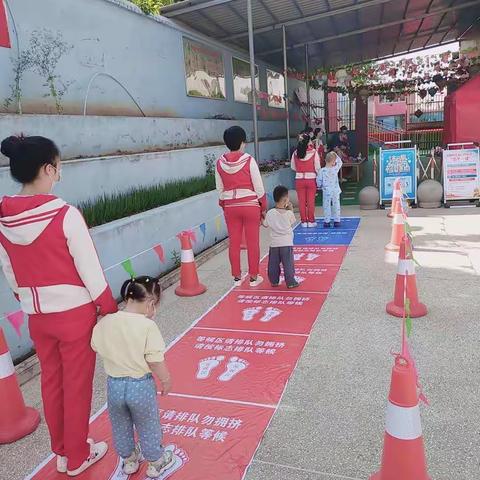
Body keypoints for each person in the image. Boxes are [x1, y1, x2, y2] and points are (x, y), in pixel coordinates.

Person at [0, 135, 117, 476]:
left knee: (51, 384)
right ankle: (79, 456)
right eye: (59, 167)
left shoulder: (3, 218)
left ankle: (63, 452)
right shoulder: (65, 214)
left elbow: (9, 271)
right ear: (48, 169)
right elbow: (90, 270)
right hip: (75, 315)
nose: (60, 174)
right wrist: (107, 308)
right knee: (77, 386)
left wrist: (29, 301)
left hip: (37, 315)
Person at [91, 276, 173, 478]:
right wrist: (166, 379)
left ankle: (129, 461)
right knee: (148, 424)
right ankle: (156, 462)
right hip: (140, 386)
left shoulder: (106, 322)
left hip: (115, 386)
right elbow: (154, 360)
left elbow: (95, 345)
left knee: (120, 424)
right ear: (151, 304)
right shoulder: (147, 326)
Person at [216, 126, 266, 287]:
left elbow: (220, 189)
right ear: (242, 142)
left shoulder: (219, 162)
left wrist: (225, 204)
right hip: (250, 205)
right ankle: (253, 277)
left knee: (234, 242)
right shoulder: (249, 160)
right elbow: (259, 187)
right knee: (253, 242)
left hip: (230, 206)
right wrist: (263, 206)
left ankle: (236, 277)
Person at [263, 186, 299, 289]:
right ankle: (290, 282)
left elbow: (265, 224)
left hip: (274, 244)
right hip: (286, 243)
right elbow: (292, 222)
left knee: (273, 264)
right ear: (285, 200)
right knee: (288, 264)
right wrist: (291, 210)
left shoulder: (270, 213)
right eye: (287, 197)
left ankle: (274, 281)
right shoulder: (288, 214)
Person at [291, 133, 321, 227]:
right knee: (311, 201)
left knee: (302, 201)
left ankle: (304, 222)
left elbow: (293, 167)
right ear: (308, 141)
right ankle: (311, 221)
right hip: (311, 179)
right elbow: (317, 167)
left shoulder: (295, 153)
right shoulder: (314, 152)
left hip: (299, 179)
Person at [317, 151, 343, 228]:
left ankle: (327, 221)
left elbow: (318, 181)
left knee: (326, 205)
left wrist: (320, 186)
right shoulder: (335, 169)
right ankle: (337, 221)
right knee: (336, 205)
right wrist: (335, 154)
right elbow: (340, 162)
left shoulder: (321, 171)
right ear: (333, 162)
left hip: (326, 191)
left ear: (325, 160)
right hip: (335, 190)